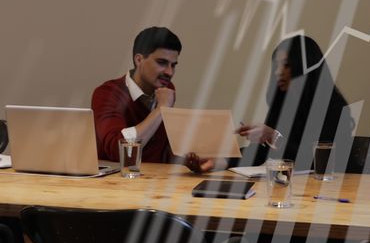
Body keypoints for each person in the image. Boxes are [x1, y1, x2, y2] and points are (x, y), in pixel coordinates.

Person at [92, 26, 213, 173]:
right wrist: (160, 109)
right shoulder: (108, 93)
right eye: (162, 63)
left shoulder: (166, 90)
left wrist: (184, 161)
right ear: (139, 60)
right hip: (115, 183)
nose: (169, 72)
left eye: (173, 65)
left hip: (154, 181)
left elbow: (157, 151)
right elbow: (121, 152)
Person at [233, 35, 353, 170]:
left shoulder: (334, 107)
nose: (278, 72)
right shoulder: (282, 104)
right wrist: (219, 160)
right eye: (276, 65)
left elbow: (318, 160)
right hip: (289, 184)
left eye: (287, 65)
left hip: (325, 187)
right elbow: (260, 153)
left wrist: (273, 137)